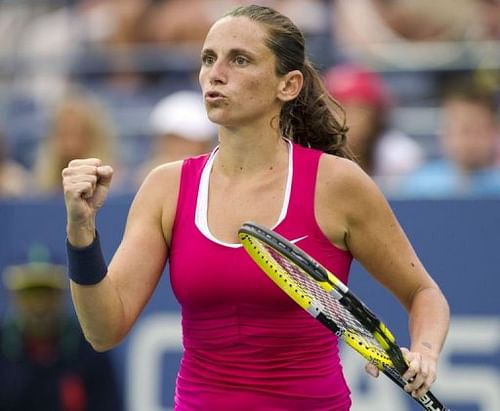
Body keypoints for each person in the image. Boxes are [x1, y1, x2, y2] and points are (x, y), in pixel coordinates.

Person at [61, 5, 450, 410]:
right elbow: (103, 330)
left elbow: (424, 292)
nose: (216, 72)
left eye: (240, 59)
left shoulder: (337, 185)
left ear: (289, 85)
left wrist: (424, 352)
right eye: (208, 58)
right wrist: (81, 232)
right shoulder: (167, 187)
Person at [0, 245, 123, 411]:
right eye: (30, 293)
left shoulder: (90, 350)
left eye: (48, 292)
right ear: (14, 297)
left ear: (63, 295)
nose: (39, 306)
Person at [323, 63, 424, 192]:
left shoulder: (398, 153)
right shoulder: (312, 152)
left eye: (359, 109)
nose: (349, 119)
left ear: (376, 114)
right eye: (340, 108)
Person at [396, 77, 500, 198]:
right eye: (464, 131)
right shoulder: (419, 185)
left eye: (478, 131)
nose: (471, 141)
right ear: (445, 133)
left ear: (493, 132)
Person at [134, 90, 217, 186]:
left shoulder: (215, 178)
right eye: (174, 140)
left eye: (188, 141)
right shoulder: (149, 177)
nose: (181, 148)